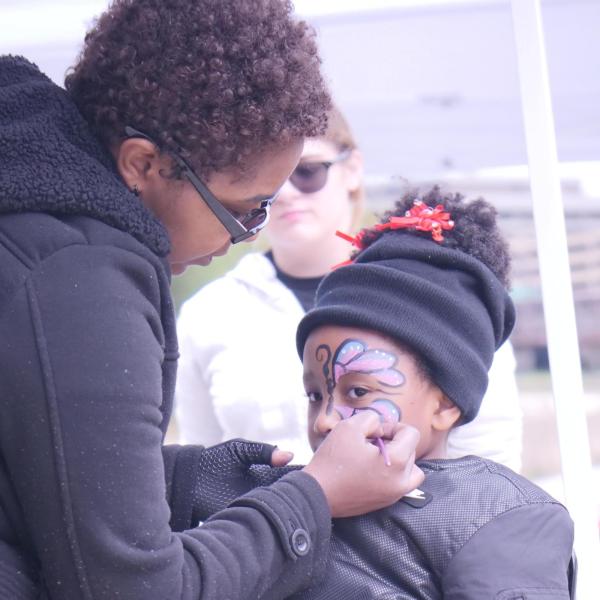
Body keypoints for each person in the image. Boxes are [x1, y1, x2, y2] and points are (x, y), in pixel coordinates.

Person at [0, 2, 424, 598]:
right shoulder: (77, 278)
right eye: (244, 208)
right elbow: (136, 588)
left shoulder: (27, 222)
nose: (240, 239)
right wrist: (316, 498)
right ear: (142, 163)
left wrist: (186, 479)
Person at [175, 107, 523, 470]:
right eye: (267, 183)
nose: (287, 194)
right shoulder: (209, 313)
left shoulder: (437, 290)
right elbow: (206, 466)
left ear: (352, 168)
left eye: (307, 172)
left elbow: (491, 461)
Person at [284, 188, 574, 599]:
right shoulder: (289, 503)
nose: (326, 419)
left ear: (446, 403)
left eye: (360, 391)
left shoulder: (499, 521)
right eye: (315, 395)